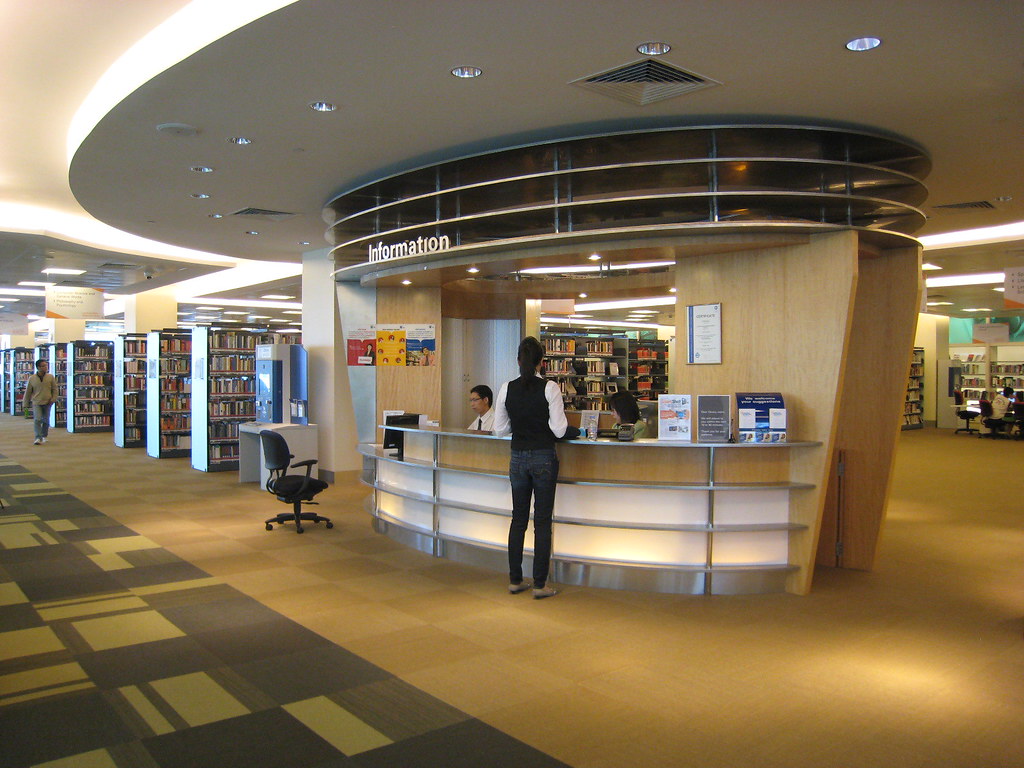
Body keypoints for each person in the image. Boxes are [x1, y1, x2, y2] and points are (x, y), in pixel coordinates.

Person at [492, 336, 581, 599]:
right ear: (542, 362)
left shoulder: (507, 388)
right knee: (542, 522)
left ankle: (515, 579)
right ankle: (540, 584)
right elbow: (559, 429)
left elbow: (499, 430)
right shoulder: (550, 388)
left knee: (518, 519)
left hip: (517, 457)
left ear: (518, 361)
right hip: (543, 456)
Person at [23, 358, 57, 445]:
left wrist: (53, 399)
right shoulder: (32, 378)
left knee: (46, 420)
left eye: (46, 365)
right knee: (37, 419)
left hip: (48, 402)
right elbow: (28, 392)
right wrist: (25, 404)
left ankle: (44, 435)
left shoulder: (50, 377)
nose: (46, 367)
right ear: (38, 367)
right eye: (43, 366)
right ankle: (38, 437)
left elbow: (54, 389)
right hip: (36, 402)